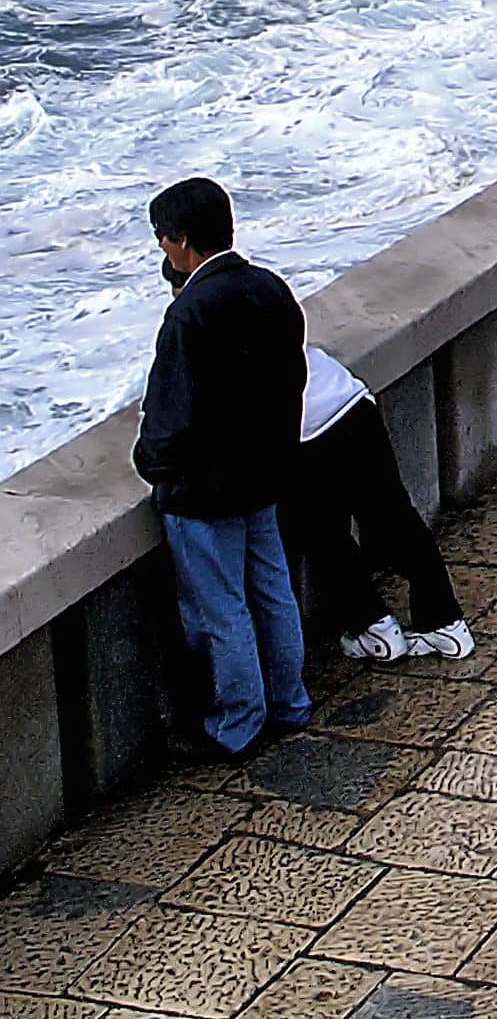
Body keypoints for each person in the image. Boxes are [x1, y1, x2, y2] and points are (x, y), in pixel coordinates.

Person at [137, 177, 311, 756]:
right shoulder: (270, 288)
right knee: (272, 591)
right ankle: (290, 702)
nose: (163, 250)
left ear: (181, 242)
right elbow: (292, 381)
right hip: (264, 474)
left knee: (220, 610)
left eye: (163, 239)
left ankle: (235, 726)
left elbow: (172, 415)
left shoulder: (190, 314)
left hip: (203, 489)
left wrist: (152, 463)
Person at [281, 344, 474, 662]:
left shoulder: (196, 319)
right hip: (348, 403)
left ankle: (373, 626)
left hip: (302, 433)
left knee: (323, 535)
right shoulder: (270, 294)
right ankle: (444, 621)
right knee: (394, 516)